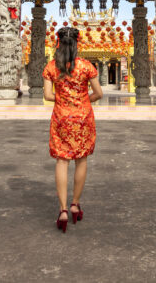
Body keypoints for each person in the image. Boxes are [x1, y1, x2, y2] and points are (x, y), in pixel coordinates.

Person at [43, 27, 103, 233]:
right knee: (82, 159)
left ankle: (62, 210)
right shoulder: (86, 66)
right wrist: (83, 100)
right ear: (77, 44)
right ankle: (75, 204)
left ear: (58, 43)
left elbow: (48, 96)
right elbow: (98, 93)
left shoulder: (52, 67)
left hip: (61, 117)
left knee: (62, 160)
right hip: (83, 117)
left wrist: (65, 100)